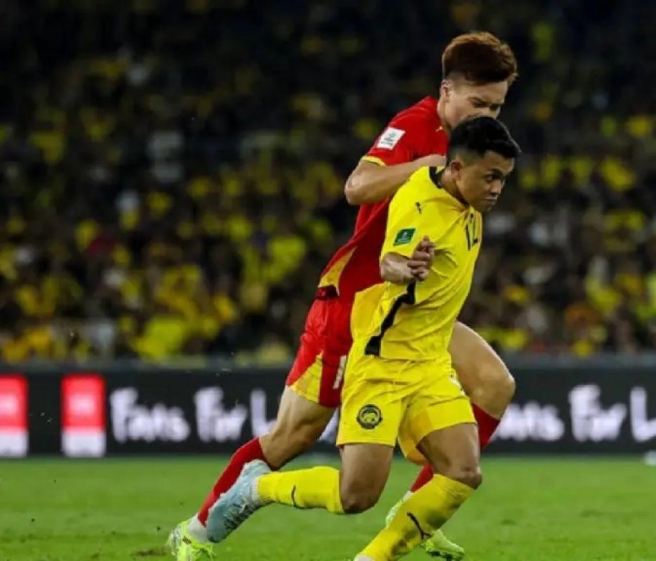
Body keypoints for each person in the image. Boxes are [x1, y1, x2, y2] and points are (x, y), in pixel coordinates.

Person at [167, 31, 518, 561]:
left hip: (414, 310)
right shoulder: (415, 127)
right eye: (478, 103)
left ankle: (417, 515)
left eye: (496, 106)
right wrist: (427, 165)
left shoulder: (475, 151)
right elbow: (356, 186)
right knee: (295, 433)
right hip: (358, 302)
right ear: (447, 91)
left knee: (493, 383)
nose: (486, 115)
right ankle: (198, 530)